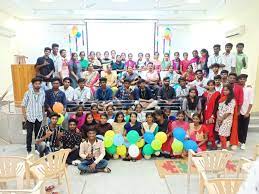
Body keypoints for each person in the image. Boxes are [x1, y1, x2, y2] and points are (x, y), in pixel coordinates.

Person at [22, 77, 45, 154]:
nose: (38, 85)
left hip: (39, 117)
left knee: (38, 133)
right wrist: (25, 116)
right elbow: (23, 105)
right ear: (32, 84)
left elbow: (42, 105)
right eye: (36, 84)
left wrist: (42, 114)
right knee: (29, 133)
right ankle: (28, 149)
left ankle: (37, 148)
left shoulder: (42, 93)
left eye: (39, 84)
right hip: (30, 116)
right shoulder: (27, 93)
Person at [215, 84, 236, 149]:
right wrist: (218, 117)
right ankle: (223, 147)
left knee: (222, 135)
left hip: (226, 120)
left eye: (227, 90)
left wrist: (221, 119)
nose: (225, 91)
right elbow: (218, 109)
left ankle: (224, 149)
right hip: (219, 119)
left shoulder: (232, 100)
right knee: (220, 134)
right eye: (224, 90)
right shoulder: (222, 99)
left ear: (230, 91)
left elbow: (229, 112)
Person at [202, 80, 220, 149]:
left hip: (212, 113)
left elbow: (216, 105)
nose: (210, 86)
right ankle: (205, 143)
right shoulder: (205, 94)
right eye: (209, 85)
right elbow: (203, 105)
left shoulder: (217, 93)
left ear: (214, 85)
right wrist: (201, 114)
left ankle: (213, 144)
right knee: (205, 128)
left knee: (211, 128)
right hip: (205, 113)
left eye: (212, 85)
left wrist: (213, 115)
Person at [238, 74, 253, 150]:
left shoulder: (249, 89)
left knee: (244, 128)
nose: (241, 80)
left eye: (243, 79)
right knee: (238, 127)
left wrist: (247, 112)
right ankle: (239, 141)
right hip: (238, 112)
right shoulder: (236, 88)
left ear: (245, 80)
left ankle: (243, 142)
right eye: (240, 79)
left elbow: (251, 102)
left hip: (245, 112)